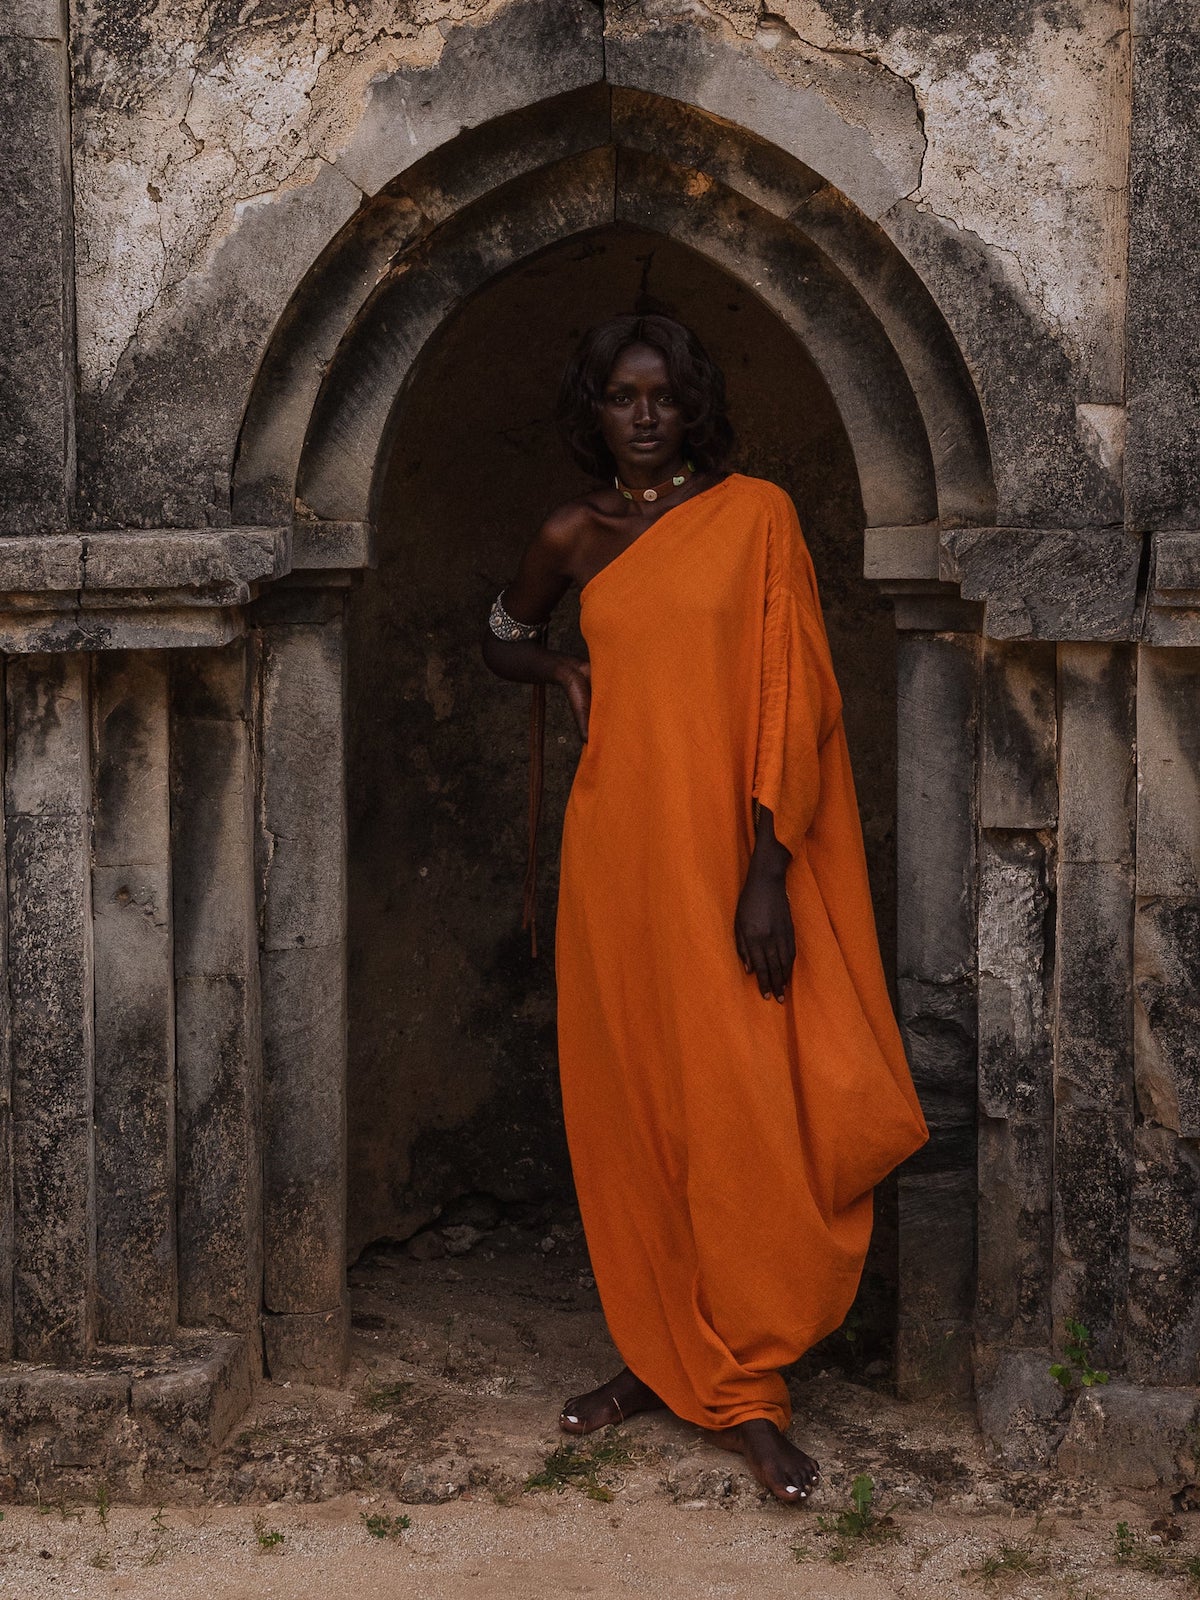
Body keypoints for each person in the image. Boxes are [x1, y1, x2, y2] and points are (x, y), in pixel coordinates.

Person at [480, 313, 929, 1505]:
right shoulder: (574, 533)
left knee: (744, 1107)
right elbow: (500, 633)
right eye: (624, 397)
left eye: (665, 398)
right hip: (617, 854)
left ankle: (748, 1386)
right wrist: (567, 668)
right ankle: (658, 1355)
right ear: (596, 407)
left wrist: (768, 871)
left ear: (692, 408)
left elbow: (795, 700)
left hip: (731, 858)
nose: (644, 416)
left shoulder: (758, 516)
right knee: (642, 1105)